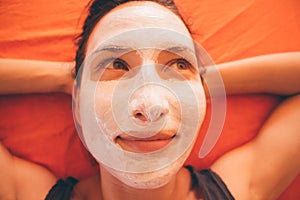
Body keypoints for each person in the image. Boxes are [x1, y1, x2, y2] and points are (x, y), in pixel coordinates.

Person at [0, 0, 299, 199]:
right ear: (77, 103)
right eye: (115, 65)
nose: (151, 105)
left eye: (179, 65)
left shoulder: (242, 188)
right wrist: (70, 80)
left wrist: (201, 82)